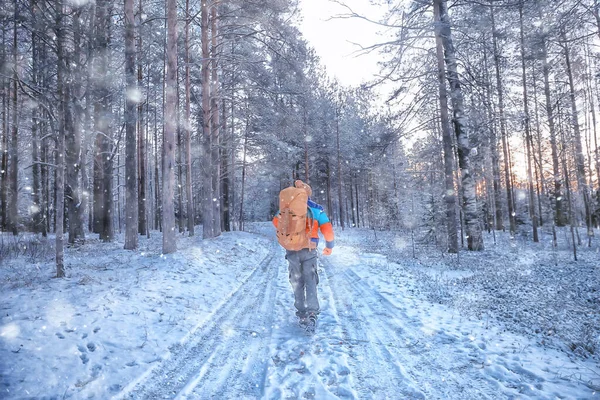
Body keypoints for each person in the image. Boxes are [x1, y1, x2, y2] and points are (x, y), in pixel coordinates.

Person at [272, 180, 335, 331]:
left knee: (296, 281)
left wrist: (293, 229)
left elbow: (276, 222)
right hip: (309, 250)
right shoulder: (316, 209)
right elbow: (327, 228)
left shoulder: (286, 206)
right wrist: (329, 246)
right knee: (311, 280)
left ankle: (301, 313)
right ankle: (312, 312)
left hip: (292, 250)